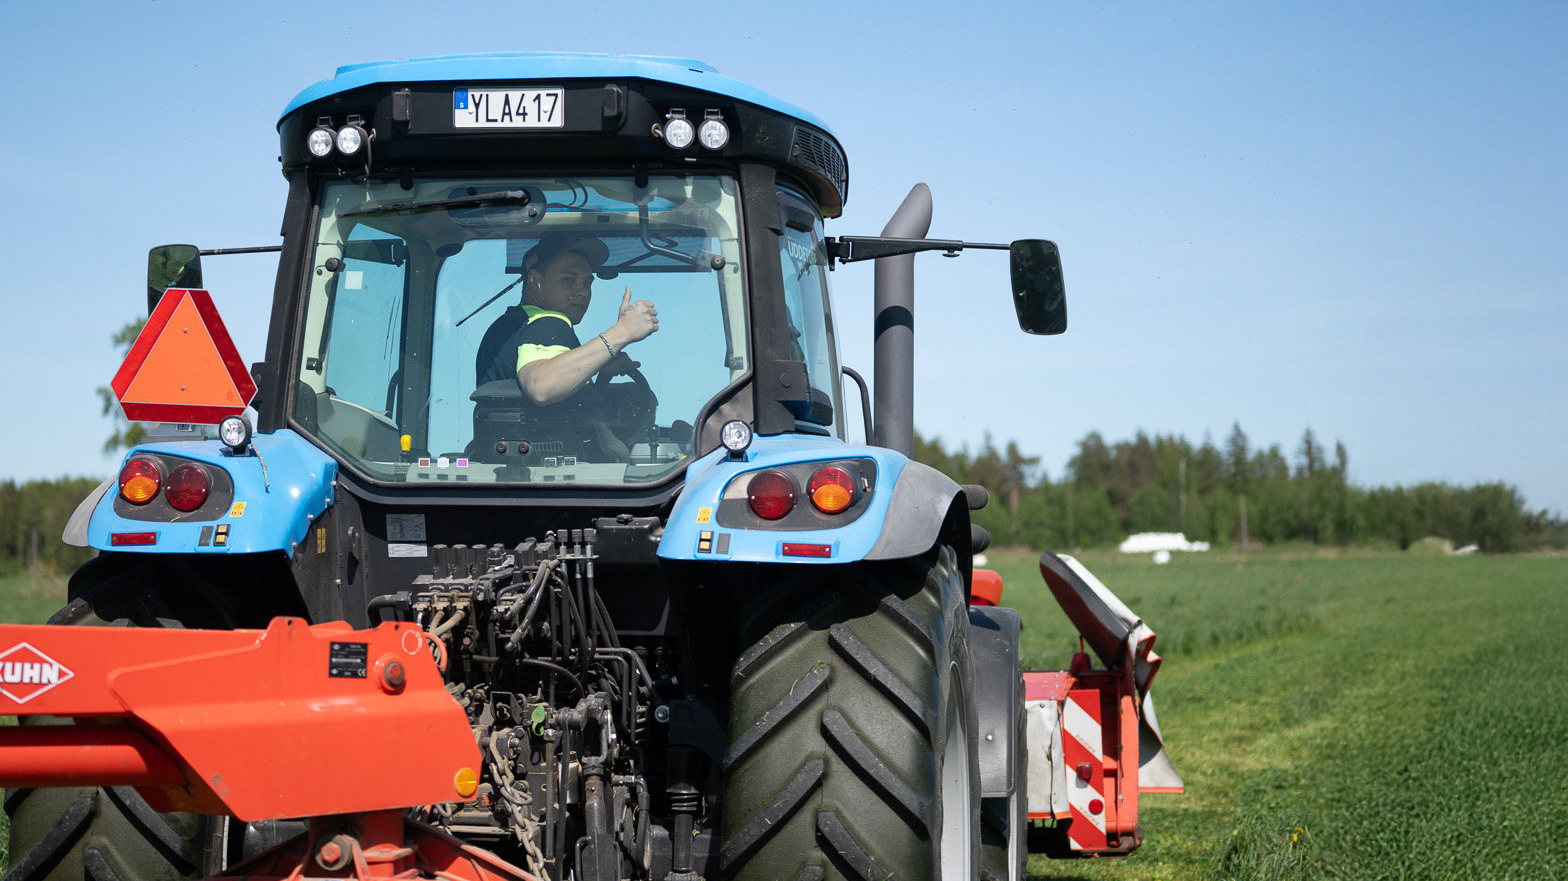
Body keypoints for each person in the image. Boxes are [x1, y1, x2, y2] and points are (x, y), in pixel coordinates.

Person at [476, 233, 660, 396]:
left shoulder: (509, 326)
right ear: (534, 281)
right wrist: (622, 333)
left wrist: (598, 368)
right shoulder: (547, 323)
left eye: (587, 283)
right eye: (569, 280)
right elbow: (541, 385)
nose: (583, 292)